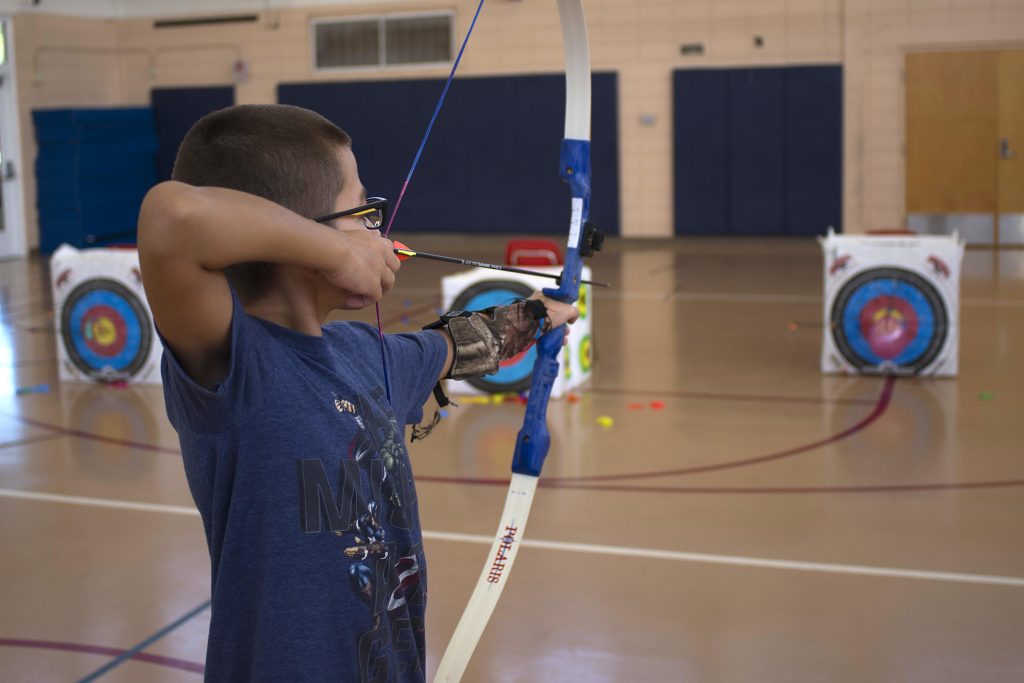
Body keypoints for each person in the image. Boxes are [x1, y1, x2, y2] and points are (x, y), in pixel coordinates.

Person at [137, 104, 578, 682]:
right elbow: (172, 216)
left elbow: (456, 344)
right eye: (365, 213)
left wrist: (539, 315)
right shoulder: (236, 368)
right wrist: (338, 252)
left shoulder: (365, 355)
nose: (380, 234)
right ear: (301, 232)